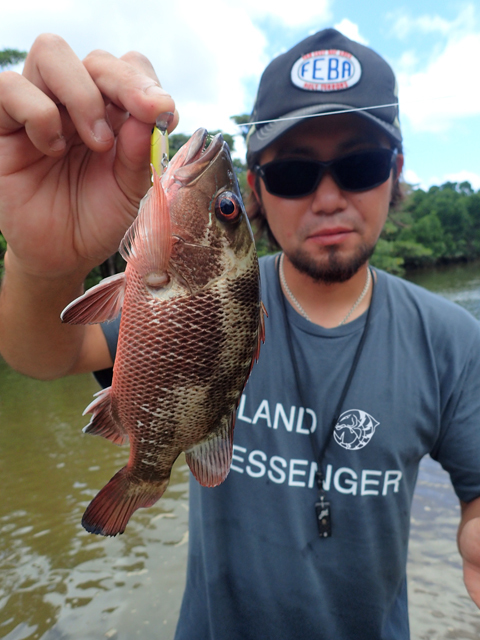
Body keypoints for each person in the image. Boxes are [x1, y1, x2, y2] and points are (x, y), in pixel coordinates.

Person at [1, 27, 480, 640]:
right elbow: (40, 354)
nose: (328, 197)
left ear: (396, 170)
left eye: (359, 165)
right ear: (254, 188)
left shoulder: (454, 340)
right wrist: (41, 265)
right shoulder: (198, 297)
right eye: (295, 173)